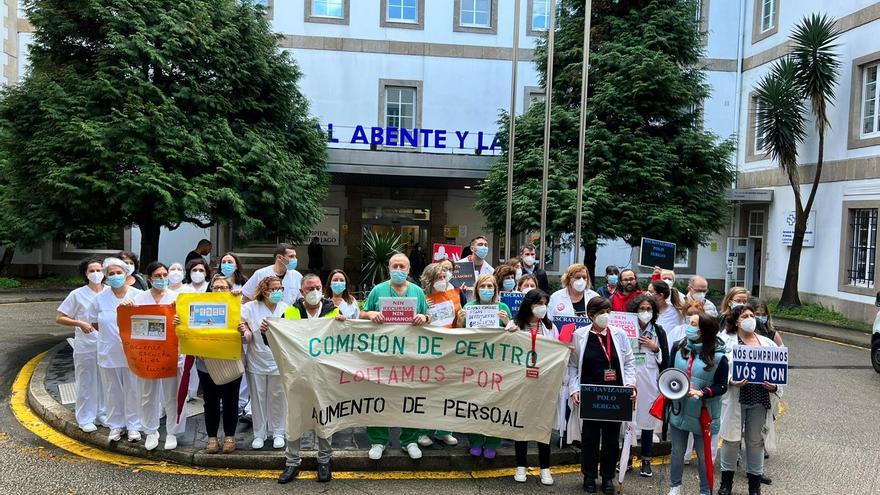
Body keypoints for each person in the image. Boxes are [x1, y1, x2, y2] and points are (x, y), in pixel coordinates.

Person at [361, 253, 430, 460]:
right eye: (395, 266)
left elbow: (429, 317)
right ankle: (378, 441)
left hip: (410, 356)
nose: (398, 269)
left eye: (402, 266)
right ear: (389, 268)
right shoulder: (378, 290)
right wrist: (370, 314)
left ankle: (409, 440)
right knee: (378, 397)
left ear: (409, 270)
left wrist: (423, 317)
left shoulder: (417, 292)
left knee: (410, 398)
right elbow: (362, 315)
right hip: (382, 356)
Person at [276, 273, 342, 484]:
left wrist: (343, 324)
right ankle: (292, 463)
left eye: (317, 287)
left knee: (325, 418)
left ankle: (324, 461)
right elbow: (276, 342)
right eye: (309, 288)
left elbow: (343, 343)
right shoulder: (291, 312)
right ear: (302, 291)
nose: (314, 291)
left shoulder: (334, 311)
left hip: (325, 377)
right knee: (294, 418)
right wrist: (267, 332)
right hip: (297, 377)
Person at [567, 297, 637, 494]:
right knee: (589, 437)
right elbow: (572, 366)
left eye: (608, 311)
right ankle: (589, 475)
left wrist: (631, 386)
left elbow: (630, 362)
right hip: (590, 396)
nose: (606, 316)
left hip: (615, 396)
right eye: (601, 312)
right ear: (591, 315)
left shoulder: (619, 334)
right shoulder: (579, 335)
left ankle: (607, 477)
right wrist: (574, 390)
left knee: (611, 439)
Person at [718, 304, 782, 495]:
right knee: (731, 440)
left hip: (759, 399)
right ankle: (726, 484)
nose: (750, 318)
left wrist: (776, 386)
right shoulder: (724, 341)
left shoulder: (767, 344)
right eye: (745, 315)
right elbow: (718, 369)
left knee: (755, 442)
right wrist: (731, 380)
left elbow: (779, 371)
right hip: (736, 397)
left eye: (752, 315)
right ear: (736, 320)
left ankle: (754, 486)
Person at [667, 312, 729, 495]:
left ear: (704, 331)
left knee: (704, 456)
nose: (689, 327)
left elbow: (722, 386)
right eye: (689, 323)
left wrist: (703, 393)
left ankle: (705, 490)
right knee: (677, 452)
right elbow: (670, 373)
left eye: (694, 324)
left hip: (704, 413)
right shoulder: (679, 348)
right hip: (679, 410)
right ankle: (675, 486)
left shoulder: (719, 358)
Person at [457, 274, 514, 460]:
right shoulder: (469, 307)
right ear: (477, 289)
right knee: (474, 403)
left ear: (495, 290)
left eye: (491, 286)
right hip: (474, 363)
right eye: (484, 286)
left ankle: (492, 443)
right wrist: (460, 320)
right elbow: (459, 335)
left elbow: (514, 335)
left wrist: (507, 322)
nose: (487, 289)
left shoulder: (503, 308)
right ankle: (475, 441)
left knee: (495, 403)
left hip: (497, 364)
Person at [86, 257, 143, 442]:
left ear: (126, 274)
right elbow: (94, 322)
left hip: (132, 353)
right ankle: (116, 426)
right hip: (109, 352)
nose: (116, 276)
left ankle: (134, 426)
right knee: (112, 391)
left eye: (119, 273)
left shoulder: (137, 295)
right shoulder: (99, 298)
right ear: (106, 277)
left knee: (133, 389)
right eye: (111, 274)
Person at [130, 261, 185, 451]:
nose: (162, 279)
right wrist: (126, 307)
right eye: (157, 276)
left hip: (172, 355)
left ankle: (172, 432)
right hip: (148, 356)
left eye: (164, 275)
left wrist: (180, 320)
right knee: (147, 395)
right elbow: (129, 324)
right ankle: (151, 431)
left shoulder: (178, 298)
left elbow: (188, 325)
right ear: (149, 278)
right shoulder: (139, 298)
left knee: (173, 395)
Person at [512, 289, 558, 485]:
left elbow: (557, 350)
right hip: (521, 384)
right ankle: (520, 466)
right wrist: (509, 332)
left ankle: (545, 469)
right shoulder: (516, 325)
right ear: (529, 305)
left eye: (545, 303)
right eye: (538, 303)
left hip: (544, 384)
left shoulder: (550, 326)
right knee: (521, 425)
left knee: (543, 425)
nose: (542, 307)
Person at [55, 256, 107, 433]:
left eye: (99, 270)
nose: (96, 273)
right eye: (91, 271)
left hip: (107, 345)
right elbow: (60, 317)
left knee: (104, 381)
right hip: (86, 345)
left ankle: (101, 413)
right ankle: (85, 417)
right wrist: (80, 323)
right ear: (85, 274)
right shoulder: (77, 294)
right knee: (86, 381)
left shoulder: (110, 292)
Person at [240, 276, 289, 451]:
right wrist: (245, 330)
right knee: (258, 399)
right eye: (273, 288)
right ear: (264, 290)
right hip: (257, 360)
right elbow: (240, 322)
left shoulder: (286, 309)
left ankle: (278, 433)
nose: (277, 292)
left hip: (278, 362)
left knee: (278, 398)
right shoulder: (250, 308)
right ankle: (259, 434)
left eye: (280, 288)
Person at [197, 275, 242, 455]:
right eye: (216, 287)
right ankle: (212, 438)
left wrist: (243, 330)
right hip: (206, 363)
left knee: (231, 401)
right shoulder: (200, 308)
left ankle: (230, 436)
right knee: (211, 402)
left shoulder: (238, 307)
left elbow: (247, 337)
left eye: (223, 287)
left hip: (230, 362)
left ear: (230, 289)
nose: (219, 290)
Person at [626, 294, 670, 477]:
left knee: (647, 421)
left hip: (650, 381)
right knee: (627, 421)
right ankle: (625, 459)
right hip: (630, 379)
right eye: (642, 309)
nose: (645, 312)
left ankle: (646, 459)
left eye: (649, 309)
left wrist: (655, 348)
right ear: (635, 311)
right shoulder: (626, 328)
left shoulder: (658, 331)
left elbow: (665, 359)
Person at [422, 262, 463, 329]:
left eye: (444, 277)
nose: (443, 280)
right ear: (430, 279)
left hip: (449, 336)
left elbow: (458, 320)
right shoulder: (422, 297)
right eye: (439, 277)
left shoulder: (453, 295)